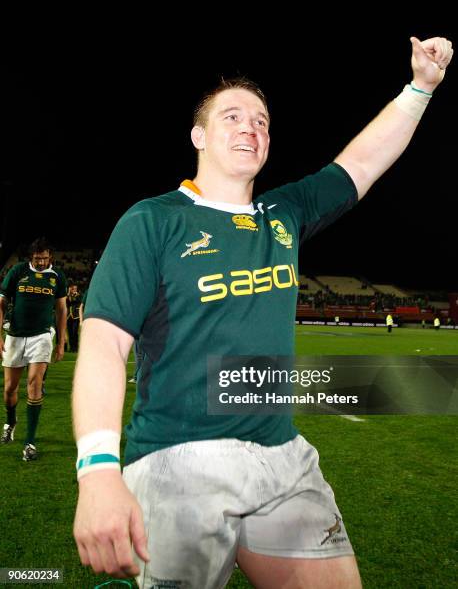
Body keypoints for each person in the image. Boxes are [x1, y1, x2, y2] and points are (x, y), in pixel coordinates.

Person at [73, 36, 453, 588]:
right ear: (199, 136)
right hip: (179, 461)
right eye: (232, 116)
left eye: (261, 120)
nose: (250, 127)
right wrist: (99, 472)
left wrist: (420, 87)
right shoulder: (153, 222)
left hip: (283, 457)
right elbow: (105, 344)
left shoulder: (285, 212)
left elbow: (363, 162)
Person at [0, 238, 67, 461]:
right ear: (31, 257)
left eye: (45, 258)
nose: (41, 262)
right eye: (37, 258)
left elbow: (61, 310)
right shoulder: (17, 271)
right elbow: (1, 303)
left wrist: (60, 342)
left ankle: (30, 442)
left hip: (42, 336)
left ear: (50, 257)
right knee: (10, 389)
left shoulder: (57, 277)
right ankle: (10, 422)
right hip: (15, 335)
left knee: (34, 384)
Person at [67, 283, 82, 352]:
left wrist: (71, 295)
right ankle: (71, 347)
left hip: (76, 316)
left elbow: (74, 301)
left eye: (75, 288)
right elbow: (67, 302)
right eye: (73, 289)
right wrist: (68, 293)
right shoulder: (68, 296)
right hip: (69, 316)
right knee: (70, 332)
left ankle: (75, 347)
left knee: (74, 332)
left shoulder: (79, 295)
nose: (74, 290)